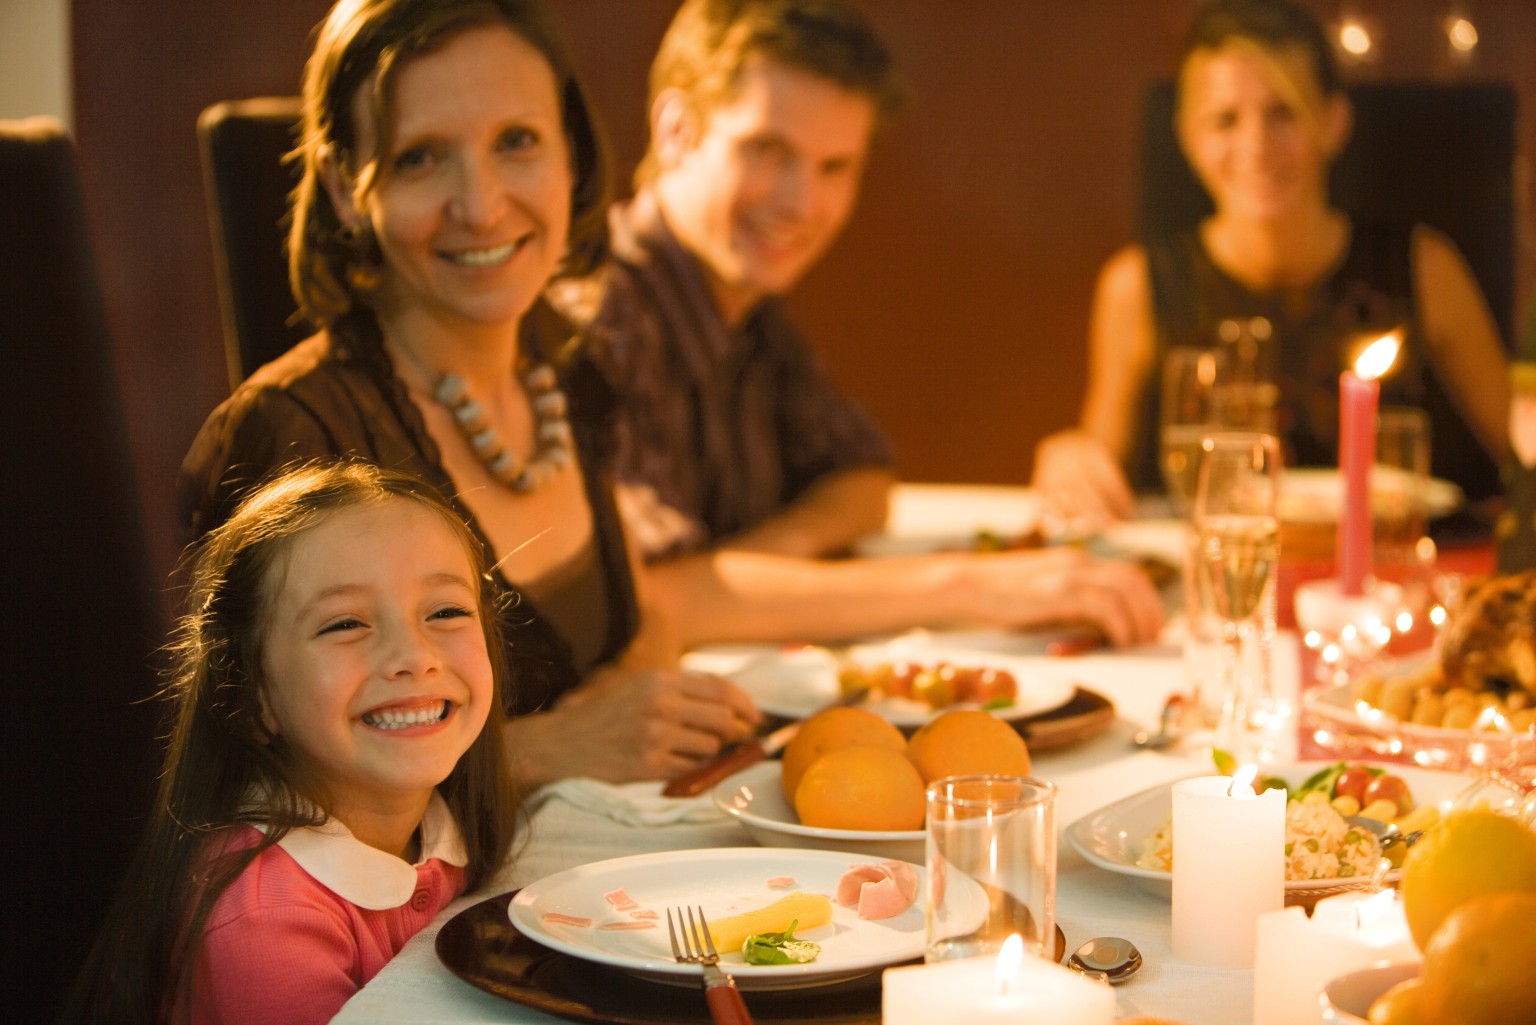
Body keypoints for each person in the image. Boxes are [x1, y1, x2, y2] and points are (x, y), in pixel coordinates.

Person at [178, 0, 760, 788]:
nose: (482, 205)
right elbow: (256, 790)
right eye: (421, 157)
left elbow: (630, 626)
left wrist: (649, 701)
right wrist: (549, 749)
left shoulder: (572, 366)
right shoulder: (290, 431)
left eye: (516, 142)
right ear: (346, 188)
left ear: (570, 155)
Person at [570, 0, 1165, 648]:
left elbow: (862, 479)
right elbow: (658, 598)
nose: (803, 203)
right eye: (769, 150)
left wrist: (768, 557)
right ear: (677, 130)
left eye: (835, 167)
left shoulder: (746, 303)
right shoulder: (603, 314)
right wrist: (972, 587)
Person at [62, 462, 519, 1025]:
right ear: (253, 694)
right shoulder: (263, 919)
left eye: (446, 611)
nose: (414, 657)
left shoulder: (449, 826)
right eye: (345, 624)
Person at [1031, 0, 1511, 526]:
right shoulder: (1137, 285)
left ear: (1333, 123)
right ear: (1188, 138)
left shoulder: (1423, 266)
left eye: (1284, 112)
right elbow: (1099, 462)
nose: (1256, 146)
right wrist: (1072, 459)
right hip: (1221, 579)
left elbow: (1520, 444)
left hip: (1391, 583)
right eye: (1224, 121)